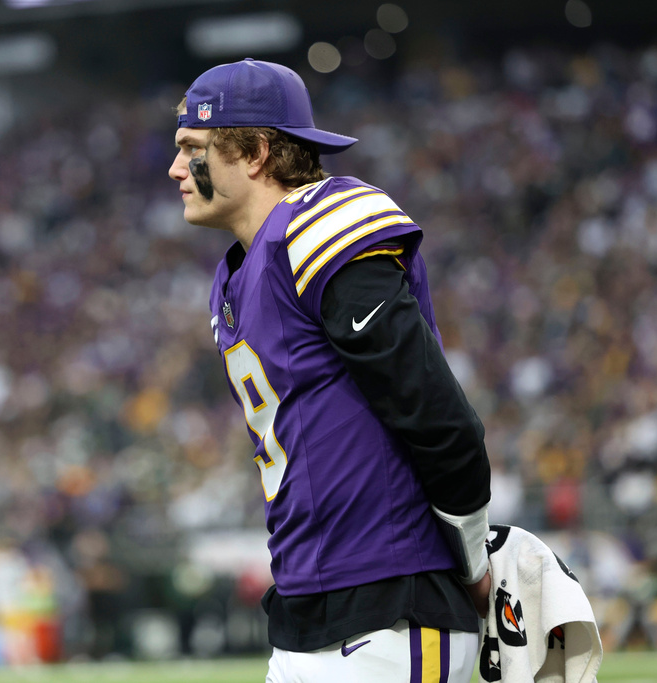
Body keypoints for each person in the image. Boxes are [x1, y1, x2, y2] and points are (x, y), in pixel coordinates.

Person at [168, 58, 492, 682]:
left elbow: (435, 412)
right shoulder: (235, 274)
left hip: (390, 600)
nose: (177, 168)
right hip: (305, 603)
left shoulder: (323, 220)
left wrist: (474, 561)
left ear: (257, 151)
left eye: (193, 148)